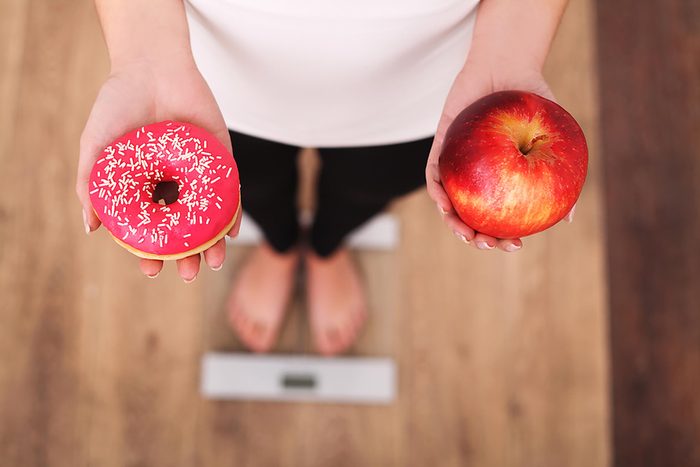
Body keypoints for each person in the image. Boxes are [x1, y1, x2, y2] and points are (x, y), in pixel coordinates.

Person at [76, 0, 572, 355]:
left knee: (367, 188)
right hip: (204, 80)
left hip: (432, 88)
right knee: (253, 185)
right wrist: (143, 53)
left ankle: (327, 246)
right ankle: (279, 242)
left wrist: (510, 53)